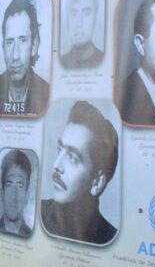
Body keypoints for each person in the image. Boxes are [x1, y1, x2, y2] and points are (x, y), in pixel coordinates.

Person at [40, 101, 119, 245]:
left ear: (97, 182)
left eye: (72, 157)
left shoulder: (110, 240)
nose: (56, 165)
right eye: (60, 149)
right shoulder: (34, 212)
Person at [0, 0, 50, 116]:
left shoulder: (47, 93)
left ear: (34, 45)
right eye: (9, 42)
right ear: (3, 48)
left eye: (23, 41)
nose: (15, 55)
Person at [60, 0, 104, 69]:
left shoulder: (104, 61)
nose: (79, 23)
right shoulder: (61, 63)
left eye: (86, 13)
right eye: (73, 14)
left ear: (95, 19)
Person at [0, 149, 33, 237]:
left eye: (20, 185)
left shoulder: (31, 236)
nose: (14, 195)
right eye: (9, 184)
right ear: (2, 193)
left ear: (27, 196)